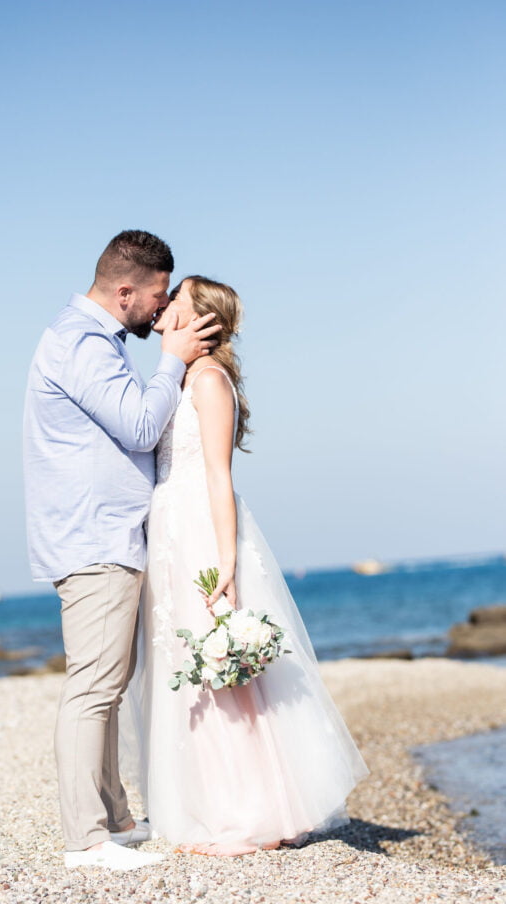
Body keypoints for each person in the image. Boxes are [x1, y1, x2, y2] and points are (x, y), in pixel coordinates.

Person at [122, 276, 369, 855]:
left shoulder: (210, 381)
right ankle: (201, 803)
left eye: (176, 298)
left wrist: (225, 561)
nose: (164, 304)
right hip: (168, 531)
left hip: (199, 532)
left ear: (200, 318)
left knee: (217, 671)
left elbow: (218, 476)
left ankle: (244, 810)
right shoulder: (178, 377)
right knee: (180, 664)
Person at [23, 232, 221, 871]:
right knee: (93, 687)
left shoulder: (90, 340)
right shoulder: (82, 342)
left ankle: (114, 820)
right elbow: (139, 426)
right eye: (159, 296)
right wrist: (173, 361)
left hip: (105, 536)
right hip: (95, 539)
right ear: (126, 290)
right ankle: (87, 840)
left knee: (106, 684)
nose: (161, 309)